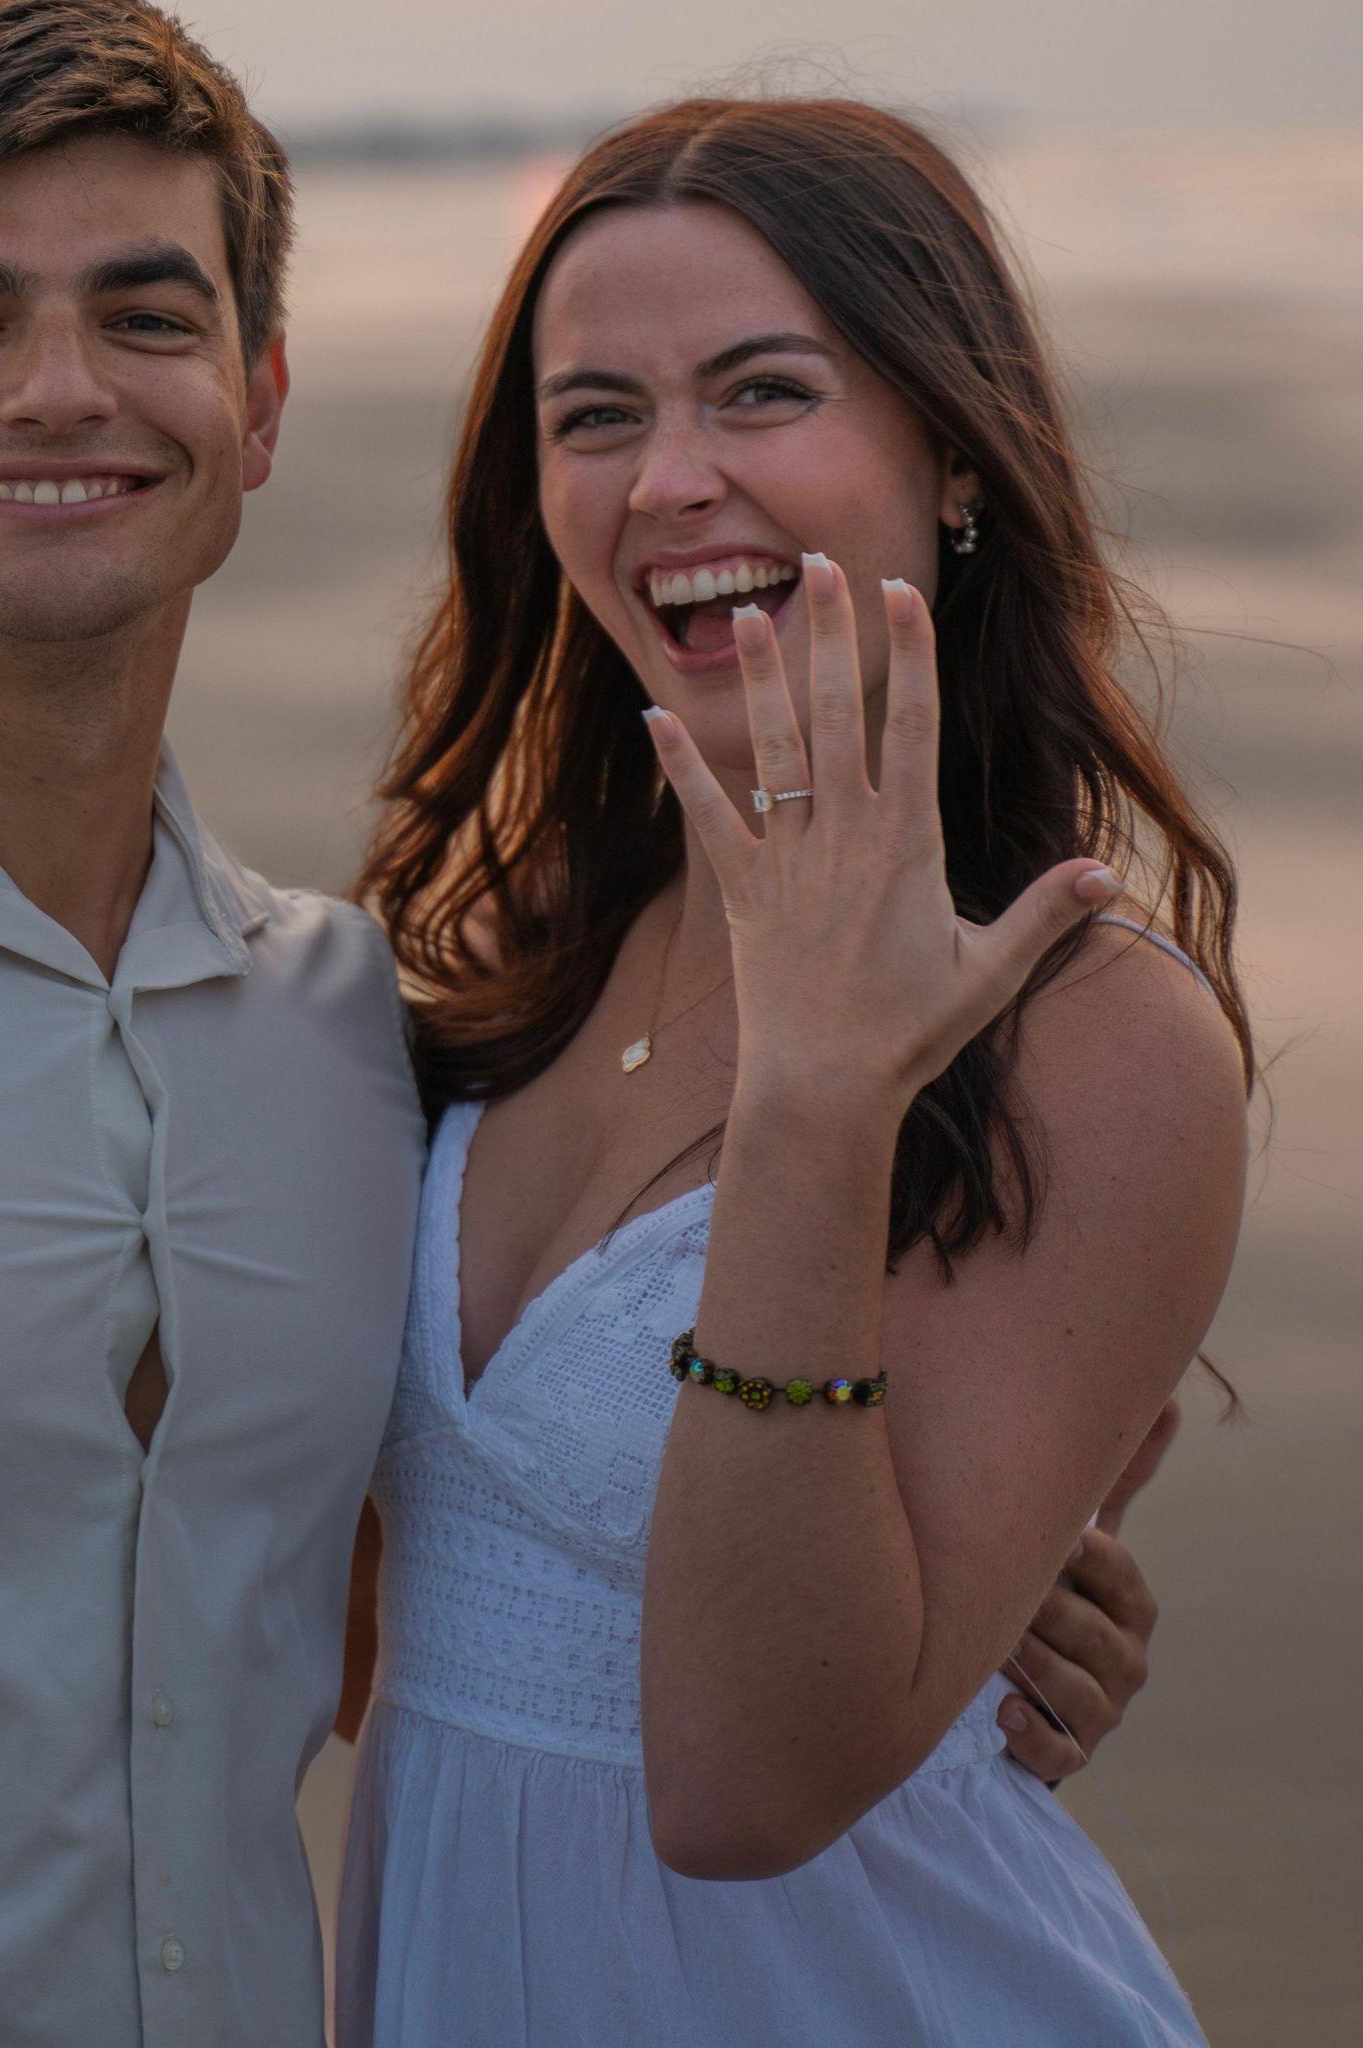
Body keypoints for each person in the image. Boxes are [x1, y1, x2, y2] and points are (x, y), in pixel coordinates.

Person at [0, 9, 1176, 2042]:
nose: (58, 388)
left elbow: (363, 1594)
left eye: (145, 315)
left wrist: (973, 1589)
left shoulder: (332, 1020)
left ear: (257, 401)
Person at [336, 97, 1251, 2045]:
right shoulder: (511, 956)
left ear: (955, 451)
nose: (672, 480)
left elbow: (747, 1785)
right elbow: (324, 1622)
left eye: (762, 391)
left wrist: (819, 1109)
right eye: (595, 415)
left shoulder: (1093, 1034)